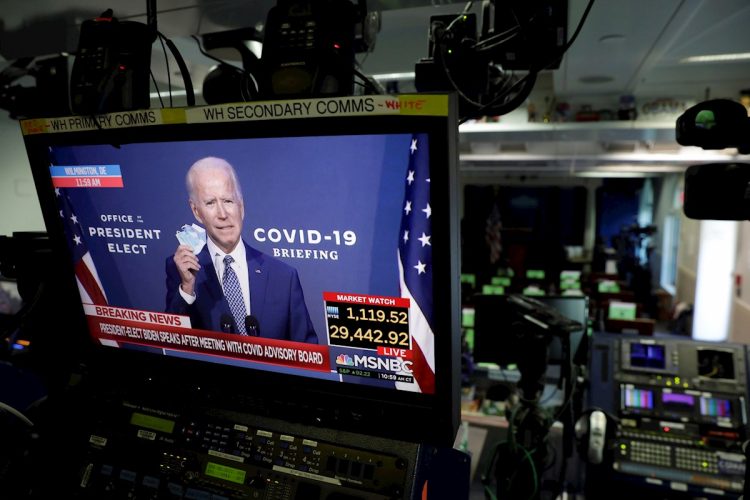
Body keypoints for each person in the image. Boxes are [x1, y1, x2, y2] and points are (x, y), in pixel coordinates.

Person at [165, 156, 318, 343]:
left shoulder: (284, 277)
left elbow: (307, 352)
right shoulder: (182, 271)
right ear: (196, 211)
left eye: (228, 201)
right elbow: (173, 340)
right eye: (210, 203)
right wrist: (187, 288)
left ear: (241, 206)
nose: (223, 214)